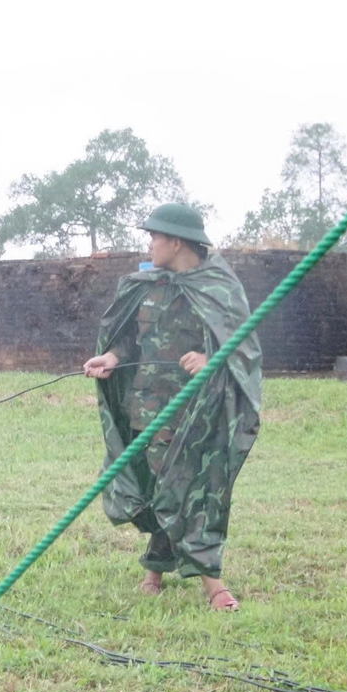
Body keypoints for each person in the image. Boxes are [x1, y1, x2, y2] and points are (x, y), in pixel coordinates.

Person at [82, 203, 261, 611]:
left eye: (155, 236)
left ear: (176, 241)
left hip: (197, 411)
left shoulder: (219, 286)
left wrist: (210, 357)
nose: (150, 243)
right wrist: (111, 357)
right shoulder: (146, 285)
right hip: (145, 409)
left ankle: (210, 583)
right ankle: (155, 572)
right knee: (160, 487)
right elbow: (131, 340)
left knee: (191, 490)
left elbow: (240, 345)